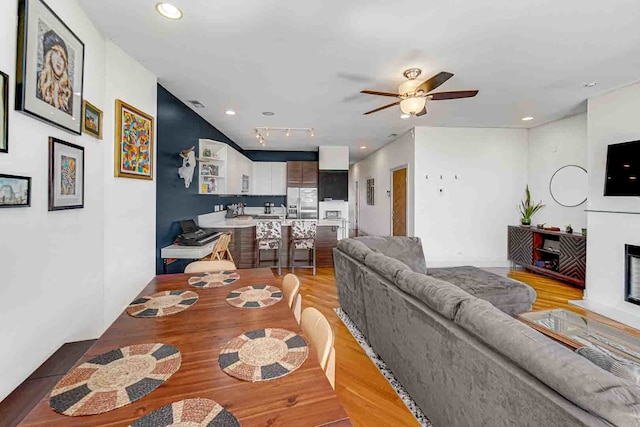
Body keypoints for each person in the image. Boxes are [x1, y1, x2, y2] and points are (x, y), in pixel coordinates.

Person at [37, 30, 72, 114]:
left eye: (62, 57)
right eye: (56, 53)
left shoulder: (68, 92)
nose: (59, 61)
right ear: (49, 56)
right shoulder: (38, 81)